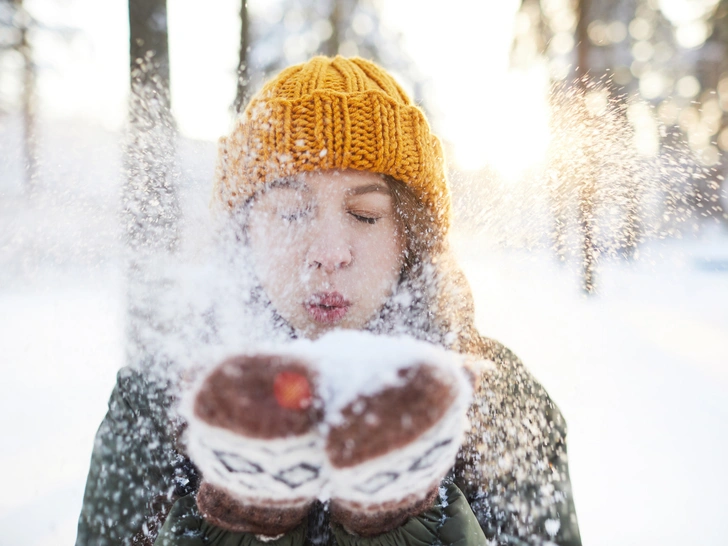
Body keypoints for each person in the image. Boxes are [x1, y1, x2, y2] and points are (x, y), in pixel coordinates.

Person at [75, 55, 582, 546]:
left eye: (364, 214)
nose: (329, 254)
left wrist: (409, 526)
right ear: (244, 233)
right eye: (292, 210)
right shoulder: (158, 400)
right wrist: (231, 529)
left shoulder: (491, 398)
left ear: (411, 236)